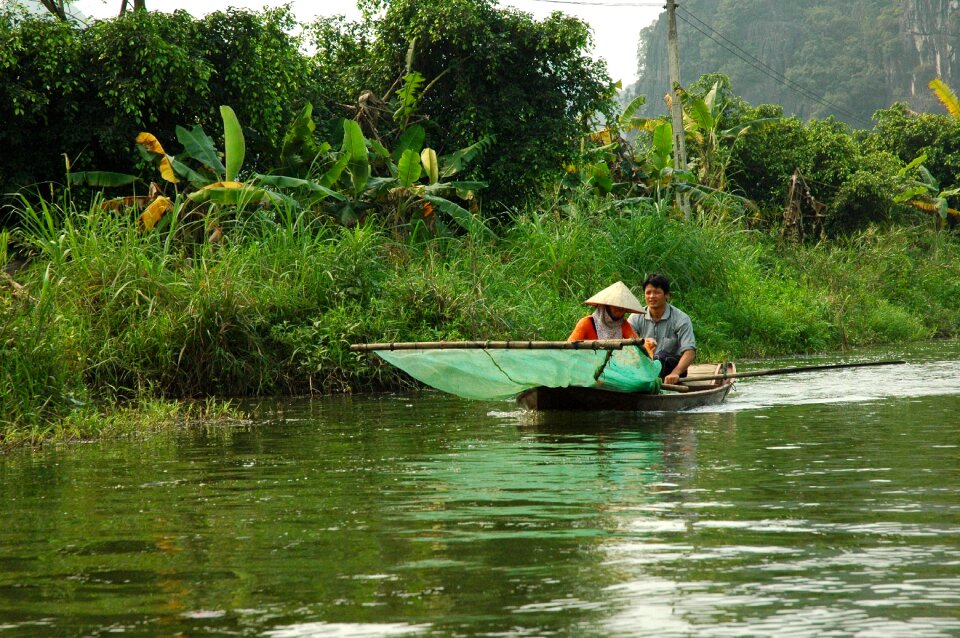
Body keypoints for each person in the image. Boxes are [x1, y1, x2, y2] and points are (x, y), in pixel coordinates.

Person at [628, 273, 696, 385]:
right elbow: (627, 348)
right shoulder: (635, 318)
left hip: (670, 369)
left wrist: (675, 373)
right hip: (644, 369)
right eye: (648, 293)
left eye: (657, 292)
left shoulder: (681, 319)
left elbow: (689, 352)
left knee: (660, 357)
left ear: (666, 295)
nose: (651, 296)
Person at [568, 281, 644, 341]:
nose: (620, 309)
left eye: (622, 306)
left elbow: (637, 346)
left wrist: (647, 344)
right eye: (616, 305)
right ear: (606, 306)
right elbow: (569, 350)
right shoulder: (586, 323)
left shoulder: (623, 325)